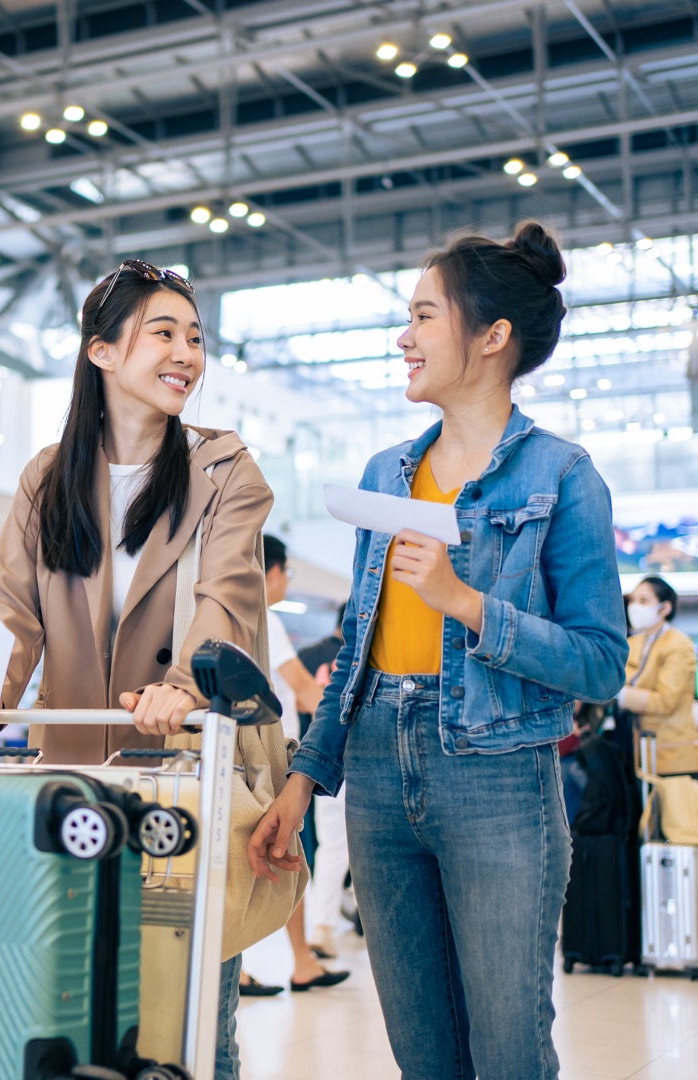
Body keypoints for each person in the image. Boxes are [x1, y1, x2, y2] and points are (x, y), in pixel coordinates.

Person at [247, 221, 628, 1080]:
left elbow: (603, 661)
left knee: (506, 1049)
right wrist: (304, 781)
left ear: (493, 338)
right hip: (377, 772)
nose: (403, 336)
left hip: (498, 774)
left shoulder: (562, 477)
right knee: (422, 1052)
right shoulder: (388, 474)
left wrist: (466, 605)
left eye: (423, 316)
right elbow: (357, 651)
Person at [0, 258, 273, 1080]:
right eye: (164, 333)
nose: (186, 355)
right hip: (76, 777)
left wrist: (186, 687)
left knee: (188, 1023)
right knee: (70, 1001)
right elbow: (9, 604)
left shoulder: (224, 470)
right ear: (101, 353)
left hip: (188, 773)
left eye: (196, 339)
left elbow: (224, 595)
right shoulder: (48, 477)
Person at [238, 536, 349, 996]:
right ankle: (282, 962)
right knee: (282, 856)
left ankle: (296, 960)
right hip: (265, 756)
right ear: (271, 571)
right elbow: (303, 689)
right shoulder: (263, 615)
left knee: (272, 857)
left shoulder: (235, 614)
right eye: (287, 573)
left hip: (251, 755)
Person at [296, 605, 351, 960]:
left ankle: (323, 925)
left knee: (331, 847)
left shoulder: (307, 654)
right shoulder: (361, 657)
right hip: (355, 760)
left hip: (314, 759)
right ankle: (332, 922)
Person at [618, 575, 698, 776]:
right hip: (636, 752)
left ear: (665, 608)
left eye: (644, 601)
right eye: (633, 600)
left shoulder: (679, 644)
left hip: (672, 754)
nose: (635, 607)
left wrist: (620, 695)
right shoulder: (633, 643)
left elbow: (666, 701)